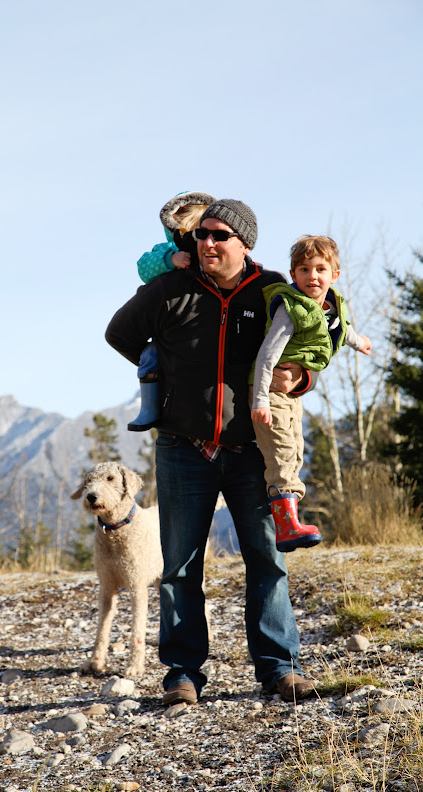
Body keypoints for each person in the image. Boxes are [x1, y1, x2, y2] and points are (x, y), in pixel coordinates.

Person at [106, 198, 316, 705]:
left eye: (220, 235)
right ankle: (182, 674)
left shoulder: (272, 291)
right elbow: (119, 333)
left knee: (266, 558)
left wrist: (301, 376)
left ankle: (279, 668)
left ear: (245, 243)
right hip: (183, 448)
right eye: (201, 234)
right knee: (180, 566)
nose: (207, 243)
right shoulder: (170, 288)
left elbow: (310, 345)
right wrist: (161, 366)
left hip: (252, 450)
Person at [251, 235, 372, 552]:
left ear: (335, 275)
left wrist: (360, 343)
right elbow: (267, 355)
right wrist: (260, 400)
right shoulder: (291, 309)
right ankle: (286, 526)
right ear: (293, 274)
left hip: (292, 394)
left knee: (295, 452)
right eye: (304, 270)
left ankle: (290, 522)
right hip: (270, 391)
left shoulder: (331, 305)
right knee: (281, 453)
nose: (312, 276)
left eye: (320, 269)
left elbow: (342, 329)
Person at [128, 191, 216, 431]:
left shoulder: (213, 255)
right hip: (168, 331)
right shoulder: (166, 249)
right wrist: (170, 259)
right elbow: (144, 267)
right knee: (150, 358)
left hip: (203, 323)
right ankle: (149, 407)